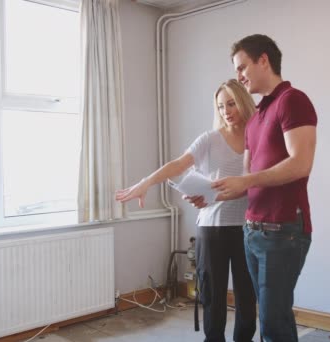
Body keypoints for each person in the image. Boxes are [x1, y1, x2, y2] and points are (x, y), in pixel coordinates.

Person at [115, 79, 258, 342]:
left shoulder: (257, 136)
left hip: (247, 227)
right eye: (220, 106)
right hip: (211, 229)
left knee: (247, 295)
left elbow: (258, 180)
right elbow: (178, 165)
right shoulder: (210, 139)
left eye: (231, 103)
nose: (226, 110)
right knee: (213, 295)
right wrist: (146, 182)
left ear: (244, 101)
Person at [203, 34, 318, 342]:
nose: (239, 76)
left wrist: (247, 180)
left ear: (264, 60)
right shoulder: (255, 120)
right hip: (252, 231)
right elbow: (245, 180)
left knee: (272, 323)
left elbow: (301, 163)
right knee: (272, 318)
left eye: (243, 67)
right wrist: (210, 193)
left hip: (283, 230)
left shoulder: (293, 100)